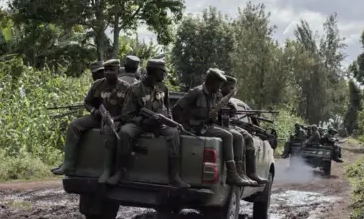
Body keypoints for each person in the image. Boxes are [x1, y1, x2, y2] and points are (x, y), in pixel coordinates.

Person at [108, 59, 189, 188]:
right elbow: (126, 115)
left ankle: (174, 176)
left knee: (174, 133)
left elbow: (168, 110)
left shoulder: (163, 88)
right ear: (155, 72)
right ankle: (120, 172)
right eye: (163, 72)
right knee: (125, 132)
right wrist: (143, 121)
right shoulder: (135, 89)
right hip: (140, 123)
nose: (164, 75)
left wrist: (168, 122)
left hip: (160, 123)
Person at [52, 59, 129, 183]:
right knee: (74, 125)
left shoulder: (126, 88)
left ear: (118, 71)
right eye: (106, 70)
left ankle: (107, 170)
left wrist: (115, 119)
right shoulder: (97, 84)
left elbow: (128, 111)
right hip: (97, 117)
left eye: (111, 70)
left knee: (109, 132)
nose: (108, 72)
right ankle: (68, 165)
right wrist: (95, 111)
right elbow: (87, 103)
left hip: (116, 119)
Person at [172, 68, 252, 186]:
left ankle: (237, 173)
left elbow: (211, 115)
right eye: (219, 83)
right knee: (227, 135)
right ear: (212, 81)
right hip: (193, 128)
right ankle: (231, 174)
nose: (220, 86)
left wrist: (213, 117)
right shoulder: (196, 92)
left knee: (236, 136)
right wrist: (184, 125)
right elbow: (176, 110)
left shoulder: (213, 95)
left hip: (205, 126)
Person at [221, 76, 266, 185]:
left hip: (228, 125)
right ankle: (237, 173)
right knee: (238, 137)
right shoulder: (217, 96)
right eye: (230, 88)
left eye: (233, 88)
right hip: (221, 125)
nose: (232, 91)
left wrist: (231, 109)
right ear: (224, 86)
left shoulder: (228, 100)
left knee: (248, 137)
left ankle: (251, 173)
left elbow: (231, 113)